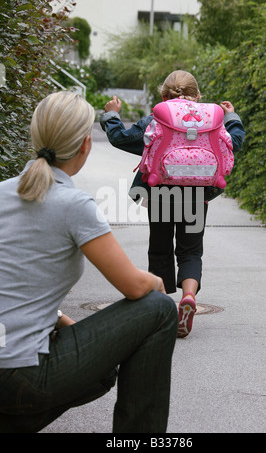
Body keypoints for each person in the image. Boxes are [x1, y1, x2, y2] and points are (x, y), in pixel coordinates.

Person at [0, 90, 178, 434]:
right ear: (86, 144)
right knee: (158, 309)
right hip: (21, 373)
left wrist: (62, 320)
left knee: (102, 370)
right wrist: (158, 284)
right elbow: (134, 286)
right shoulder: (73, 204)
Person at [100, 70, 245, 338]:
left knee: (160, 249)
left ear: (164, 95)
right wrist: (231, 117)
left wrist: (111, 115)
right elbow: (233, 143)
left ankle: (165, 310)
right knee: (191, 251)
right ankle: (188, 296)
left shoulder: (157, 117)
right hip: (197, 193)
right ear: (198, 95)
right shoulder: (210, 119)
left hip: (162, 192)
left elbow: (120, 137)